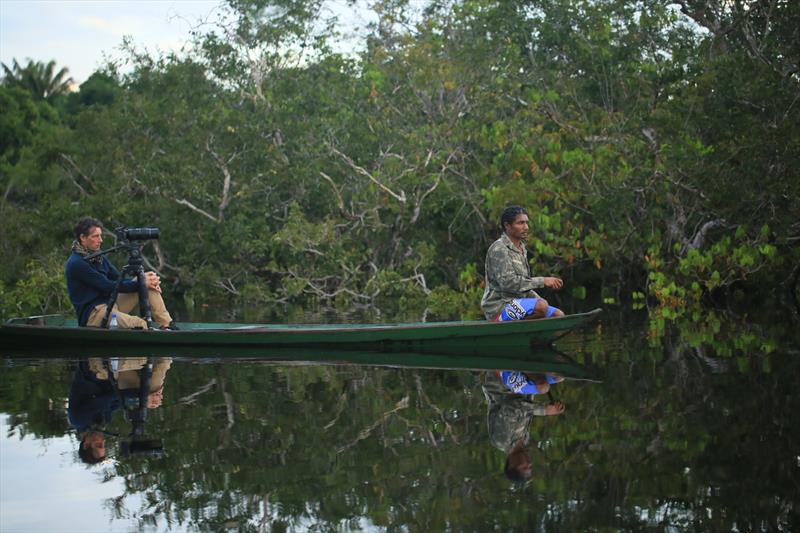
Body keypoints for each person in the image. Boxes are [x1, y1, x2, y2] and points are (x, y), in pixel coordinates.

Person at [65, 217, 176, 329]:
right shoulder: (77, 263)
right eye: (95, 236)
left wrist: (145, 281)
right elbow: (107, 286)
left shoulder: (98, 257)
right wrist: (141, 283)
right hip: (94, 314)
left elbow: (118, 279)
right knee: (139, 323)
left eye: (100, 235)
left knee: (147, 280)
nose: (101, 240)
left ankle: (167, 325)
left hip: (111, 304)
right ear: (83, 238)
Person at [481, 205, 565, 321]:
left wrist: (539, 300)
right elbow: (508, 283)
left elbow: (523, 287)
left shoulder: (521, 248)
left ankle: (538, 339)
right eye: (520, 223)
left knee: (558, 315)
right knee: (541, 307)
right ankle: (513, 332)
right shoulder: (499, 249)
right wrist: (543, 281)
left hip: (519, 303)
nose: (526, 227)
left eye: (526, 222)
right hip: (499, 308)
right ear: (507, 226)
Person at [482, 370, 565, 481]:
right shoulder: (525, 440)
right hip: (521, 386)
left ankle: (521, 365)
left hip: (503, 383)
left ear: (511, 465)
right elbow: (526, 406)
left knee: (542, 387)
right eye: (530, 466)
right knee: (559, 376)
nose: (529, 462)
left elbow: (512, 407)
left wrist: (544, 410)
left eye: (524, 466)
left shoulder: (501, 441)